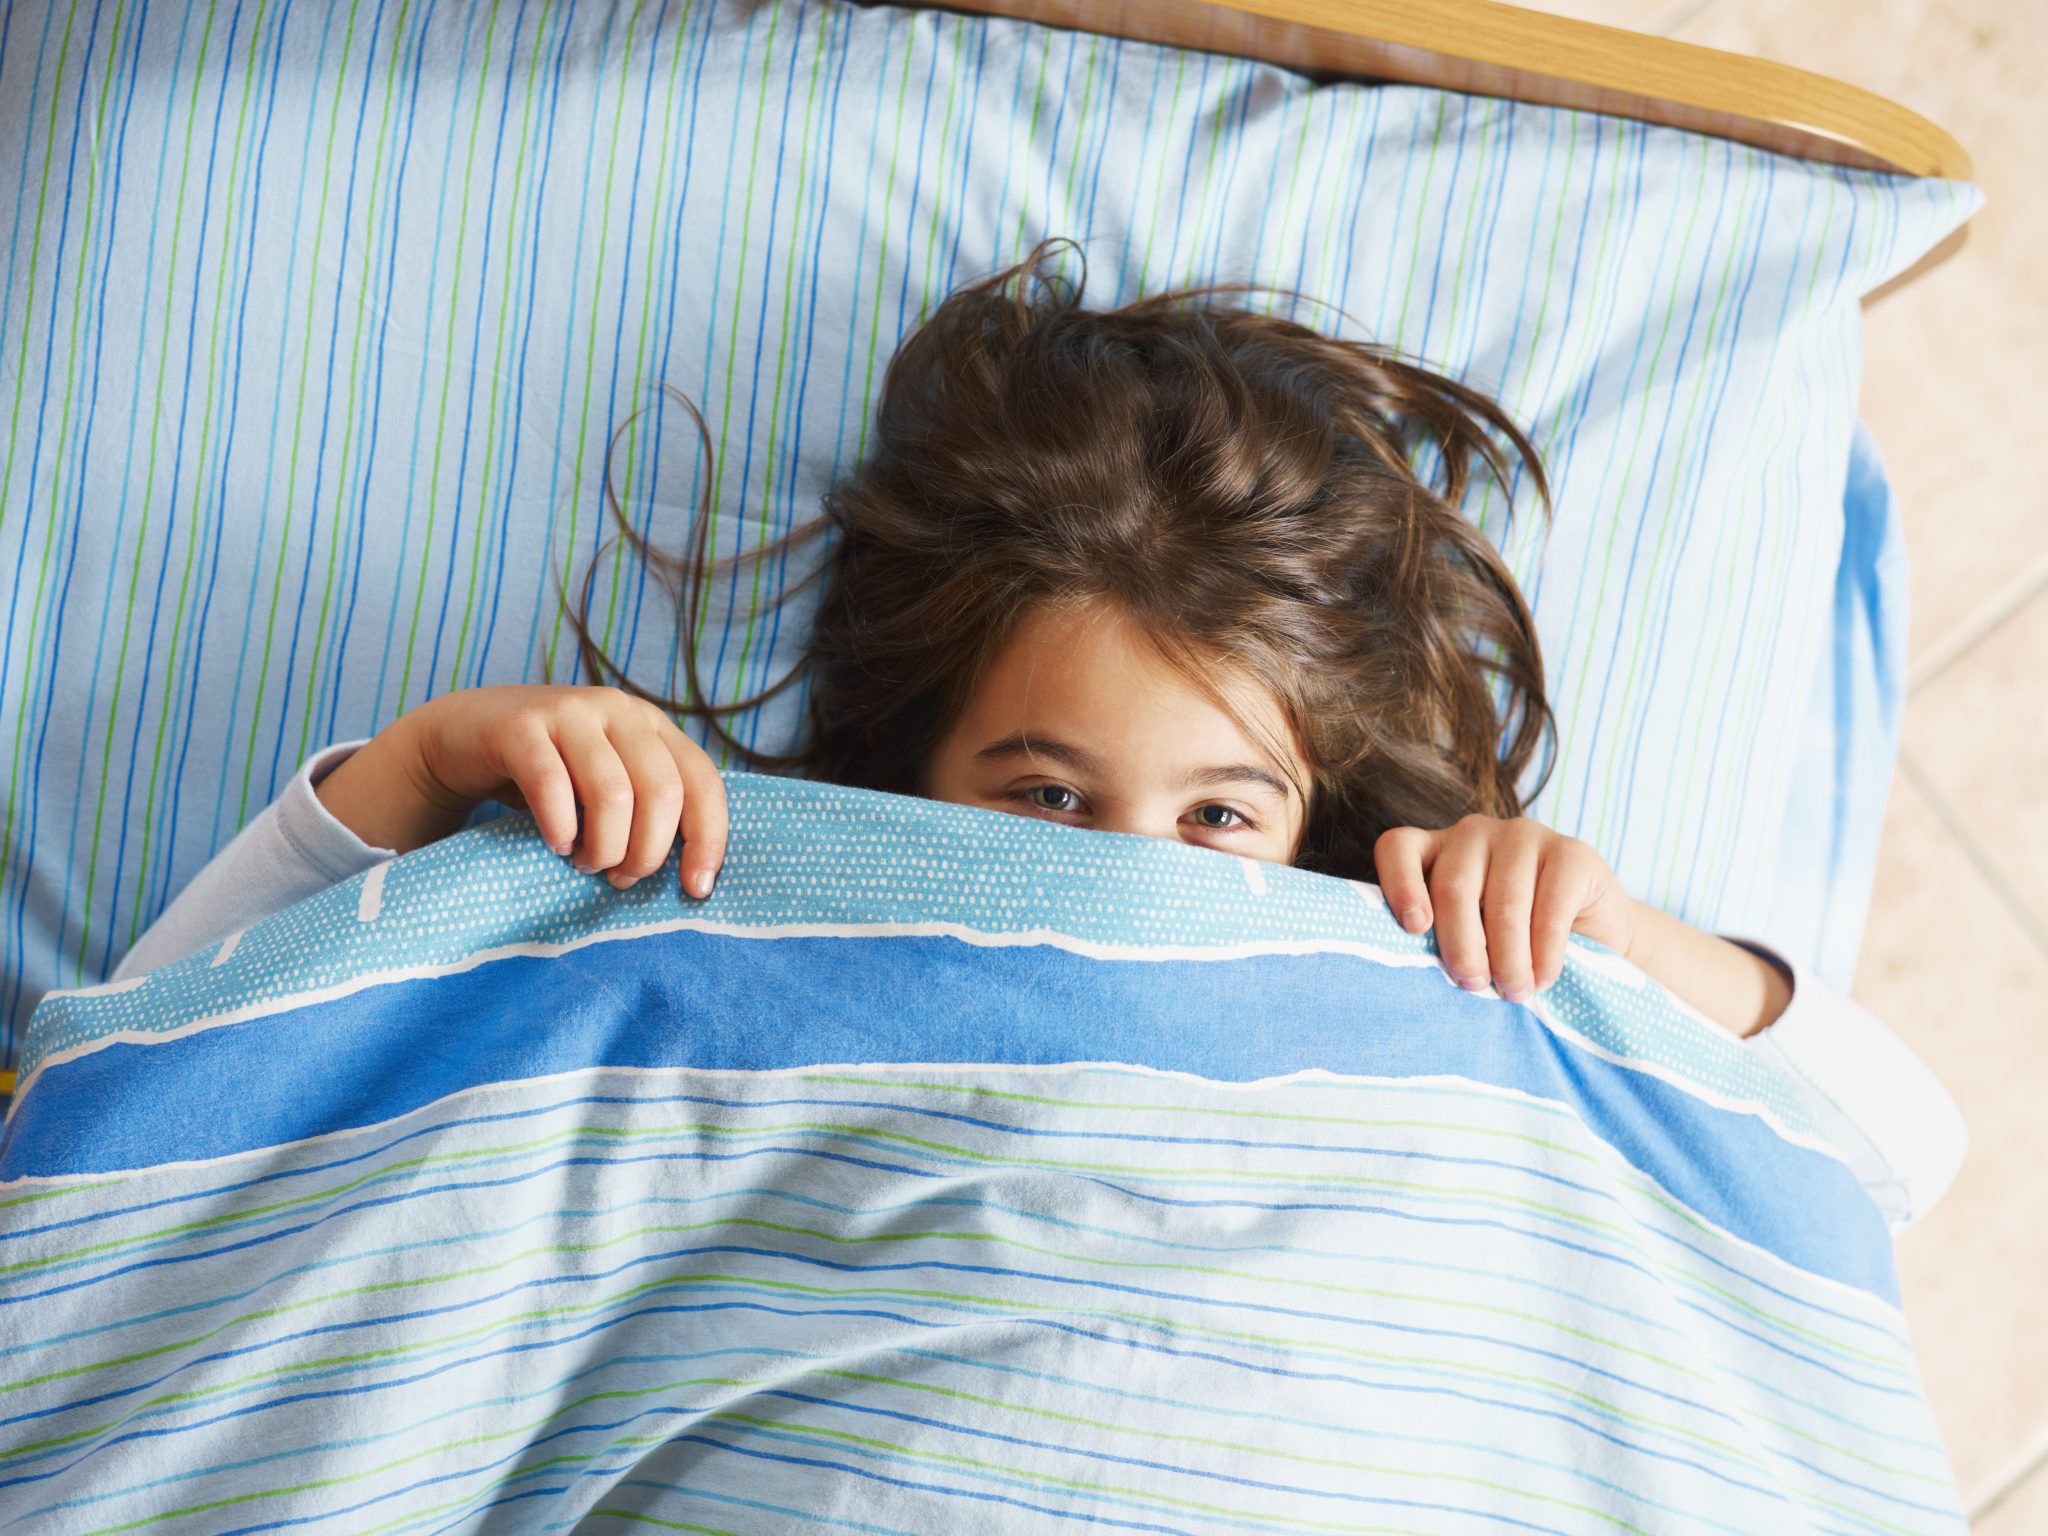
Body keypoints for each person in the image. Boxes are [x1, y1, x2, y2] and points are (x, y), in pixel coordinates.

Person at [114, 243, 1963, 1228]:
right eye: (1049, 795)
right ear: (911, 777)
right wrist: (429, 772)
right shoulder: (728, 902)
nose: (1126, 883)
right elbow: (132, 1096)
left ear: (1311, 819)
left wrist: (1611, 942)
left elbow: (1897, 1159)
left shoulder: (1425, 966)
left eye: (1221, 818)